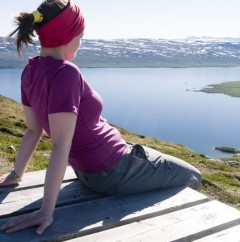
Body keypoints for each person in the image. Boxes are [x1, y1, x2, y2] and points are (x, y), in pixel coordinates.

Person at [0, 0, 201, 235]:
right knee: (193, 175)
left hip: (92, 170)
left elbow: (34, 130)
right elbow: (60, 145)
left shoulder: (31, 70)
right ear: (68, 34)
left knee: (153, 156)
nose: (81, 42)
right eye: (80, 35)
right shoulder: (65, 72)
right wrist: (46, 211)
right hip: (112, 170)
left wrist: (16, 174)